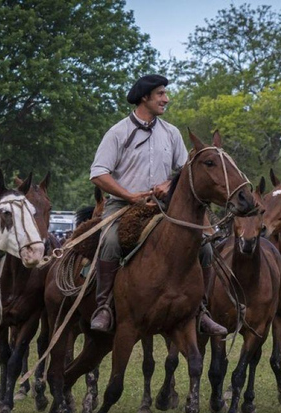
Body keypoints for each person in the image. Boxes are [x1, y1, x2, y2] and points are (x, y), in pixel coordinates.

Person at [88, 73, 227, 335]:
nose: (167, 99)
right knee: (110, 241)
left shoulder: (171, 133)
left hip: (165, 208)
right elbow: (98, 173)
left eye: (165, 94)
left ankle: (202, 311)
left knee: (205, 248)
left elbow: (188, 171)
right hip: (123, 206)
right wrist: (130, 196)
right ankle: (103, 306)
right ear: (145, 97)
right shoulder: (118, 132)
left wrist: (169, 183)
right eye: (161, 94)